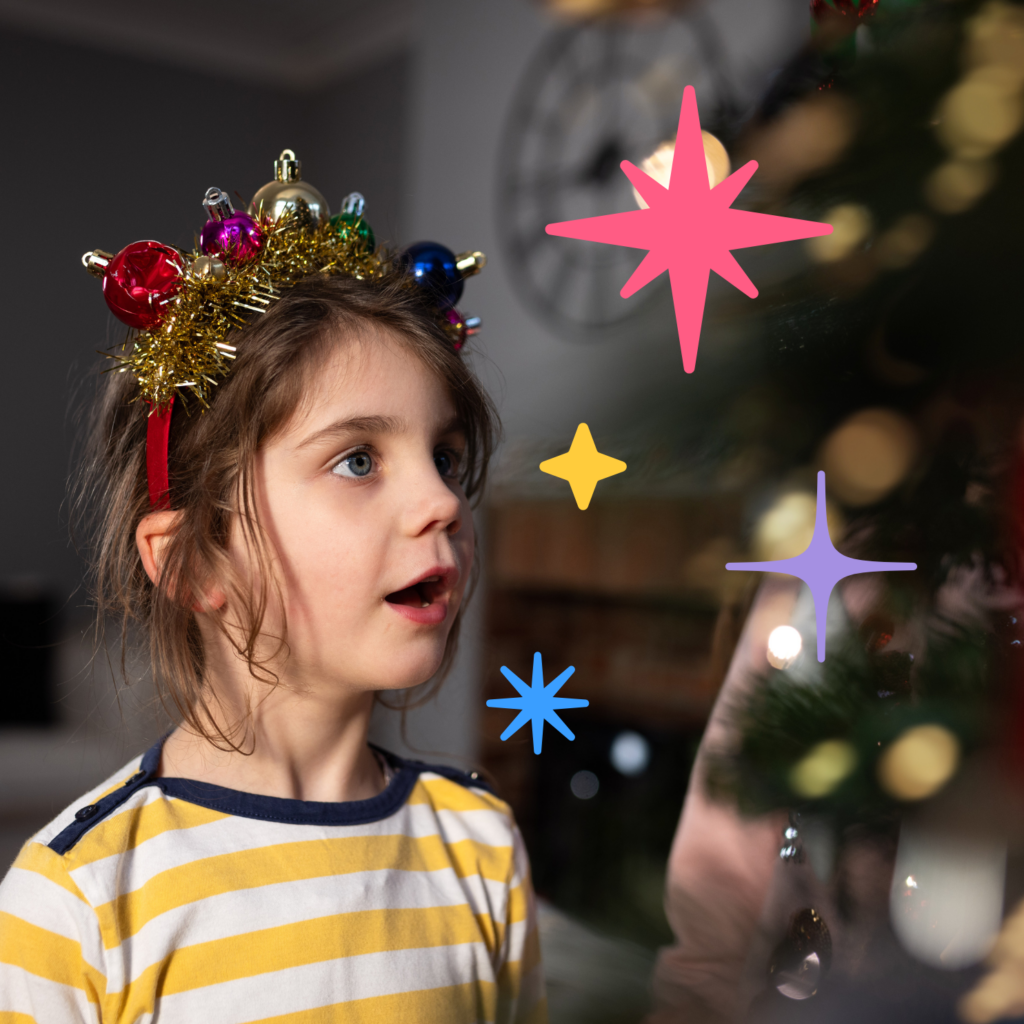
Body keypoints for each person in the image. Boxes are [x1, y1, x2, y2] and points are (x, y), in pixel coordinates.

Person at [0, 160, 546, 1023]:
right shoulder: (75, 903)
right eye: (358, 459)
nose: (444, 500)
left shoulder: (480, 842)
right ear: (196, 563)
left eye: (444, 456)